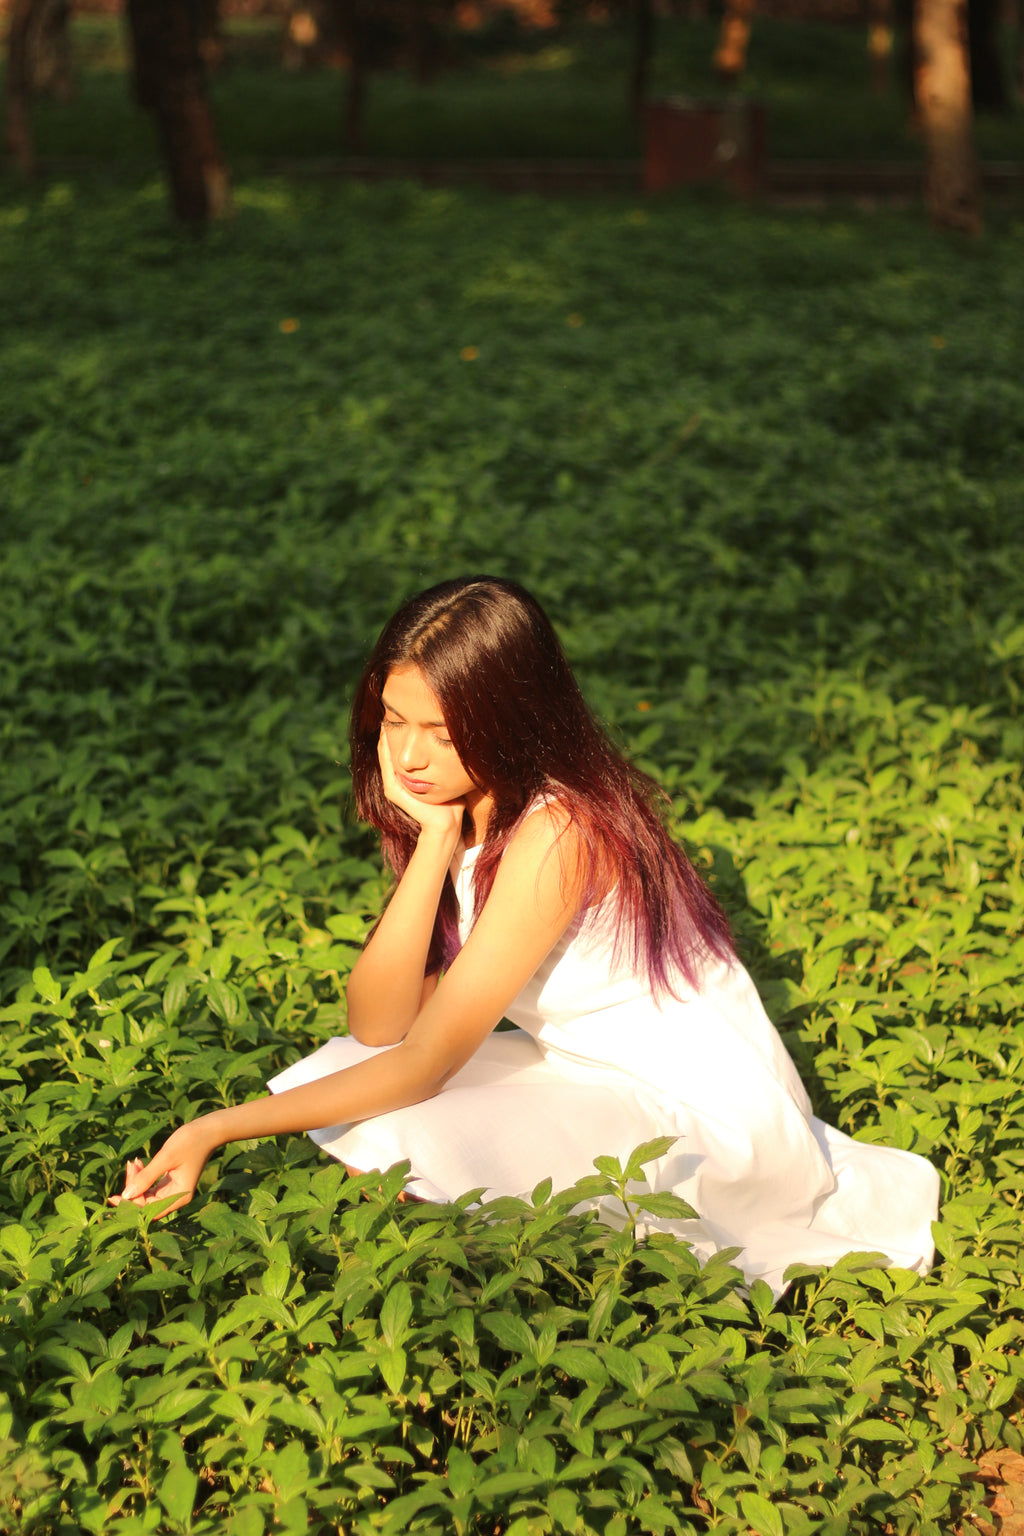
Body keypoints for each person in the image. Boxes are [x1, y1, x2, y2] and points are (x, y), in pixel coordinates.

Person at [112, 576, 939, 1295]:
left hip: (705, 1112)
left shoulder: (558, 831)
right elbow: (378, 1025)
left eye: (441, 732)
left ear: (510, 718)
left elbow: (424, 1062)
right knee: (347, 1072)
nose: (407, 756)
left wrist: (213, 1127)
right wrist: (433, 847)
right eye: (393, 721)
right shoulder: (464, 814)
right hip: (586, 1070)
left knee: (406, 1126)